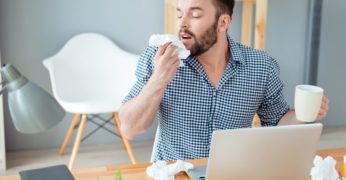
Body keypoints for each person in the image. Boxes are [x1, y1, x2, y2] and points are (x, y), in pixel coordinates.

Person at [119, 0, 329, 162]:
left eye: (195, 15)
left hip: (234, 171)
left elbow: (276, 122)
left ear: (223, 22)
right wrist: (158, 80)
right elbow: (130, 128)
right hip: (176, 173)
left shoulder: (261, 66)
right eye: (180, 14)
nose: (182, 24)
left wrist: (304, 114)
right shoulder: (159, 58)